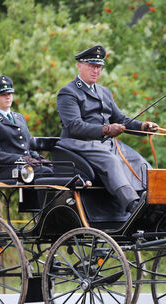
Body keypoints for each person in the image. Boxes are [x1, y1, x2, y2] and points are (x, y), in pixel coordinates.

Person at [56, 45, 159, 214]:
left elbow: (121, 120)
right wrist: (106, 129)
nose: (96, 70)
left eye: (99, 67)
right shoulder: (68, 93)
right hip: (79, 144)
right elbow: (74, 126)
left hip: (106, 144)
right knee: (111, 161)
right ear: (79, 65)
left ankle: (154, 200)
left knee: (138, 161)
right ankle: (133, 205)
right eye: (91, 66)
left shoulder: (104, 92)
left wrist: (142, 126)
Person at [0, 75, 52, 179]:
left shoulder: (19, 117)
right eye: (3, 94)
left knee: (58, 170)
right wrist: (22, 158)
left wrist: (38, 158)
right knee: (46, 173)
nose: (8, 96)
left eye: (9, 93)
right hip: (9, 168)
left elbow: (28, 146)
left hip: (27, 167)